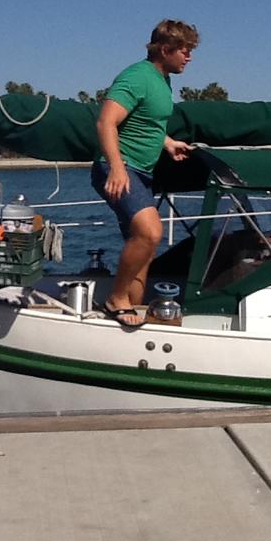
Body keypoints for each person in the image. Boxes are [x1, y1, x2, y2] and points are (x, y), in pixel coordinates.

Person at [91, 19, 199, 327]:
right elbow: (106, 122)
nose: (189, 57)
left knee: (144, 250)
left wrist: (168, 143)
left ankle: (131, 310)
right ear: (166, 50)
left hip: (142, 172)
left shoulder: (163, 80)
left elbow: (149, 122)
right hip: (120, 169)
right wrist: (117, 168)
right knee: (151, 232)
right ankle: (116, 299)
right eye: (185, 50)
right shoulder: (137, 77)